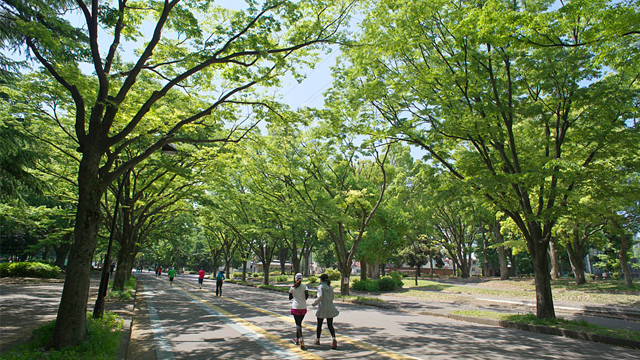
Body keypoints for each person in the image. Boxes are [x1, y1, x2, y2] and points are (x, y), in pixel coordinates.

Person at [312, 273, 339, 349]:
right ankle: (334, 339)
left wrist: (314, 303)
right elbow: (332, 297)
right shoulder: (330, 287)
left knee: (319, 324)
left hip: (322, 307)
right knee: (330, 325)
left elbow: (320, 296)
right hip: (330, 307)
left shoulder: (320, 287)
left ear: (322, 280)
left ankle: (317, 339)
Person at [289, 273, 309, 350]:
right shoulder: (305, 287)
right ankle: (297, 339)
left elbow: (290, 297)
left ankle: (300, 338)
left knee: (298, 324)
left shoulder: (292, 287)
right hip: (303, 307)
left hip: (295, 307)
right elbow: (306, 297)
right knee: (299, 324)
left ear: (295, 279)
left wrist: (294, 295)